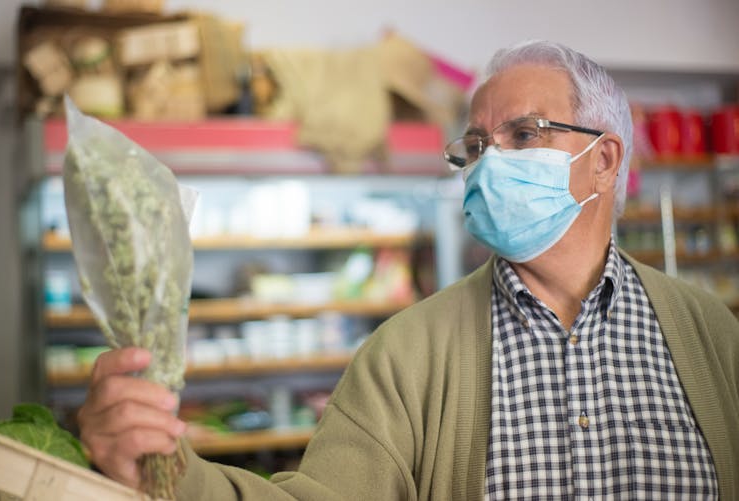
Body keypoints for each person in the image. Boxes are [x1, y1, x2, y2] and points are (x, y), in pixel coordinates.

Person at [78, 40, 739, 500]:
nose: (489, 161)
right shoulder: (405, 354)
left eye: (524, 134)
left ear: (604, 159)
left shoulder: (711, 337)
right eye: (476, 144)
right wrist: (166, 471)